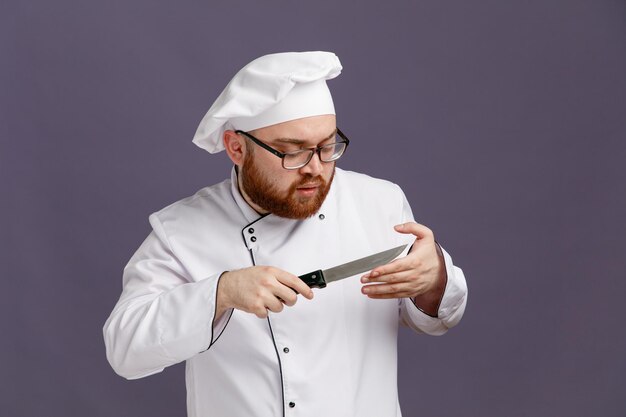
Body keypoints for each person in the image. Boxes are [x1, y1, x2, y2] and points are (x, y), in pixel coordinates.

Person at [103, 51, 468, 417]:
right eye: (291, 152)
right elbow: (125, 349)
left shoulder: (379, 203)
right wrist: (221, 292)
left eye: (327, 147)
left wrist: (434, 275)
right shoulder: (183, 229)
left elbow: (437, 319)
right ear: (236, 147)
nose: (315, 168)